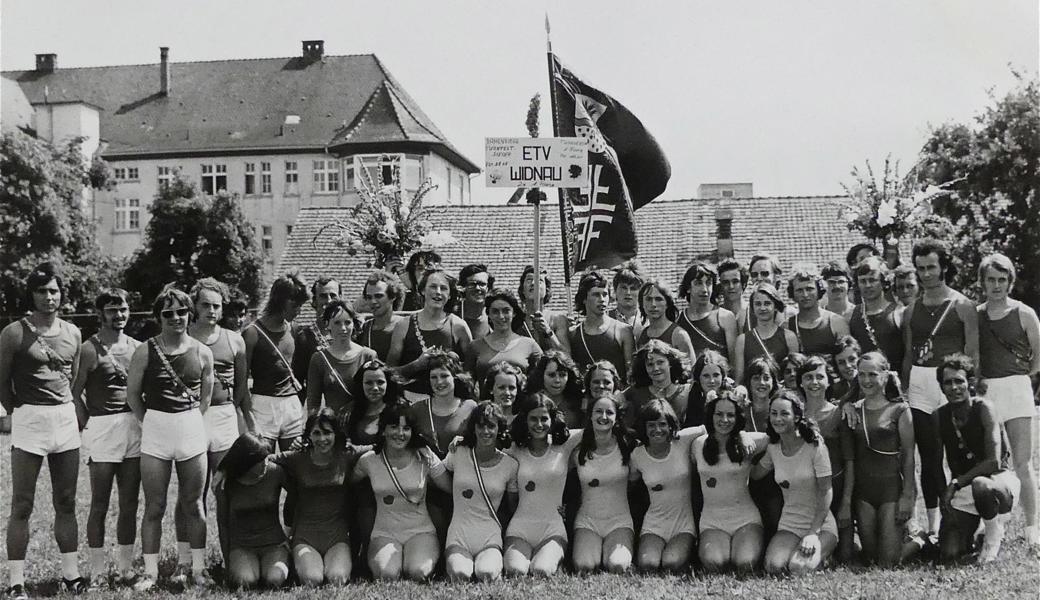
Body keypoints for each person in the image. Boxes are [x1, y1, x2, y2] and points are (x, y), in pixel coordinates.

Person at [1, 263, 87, 596]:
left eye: (53, 290)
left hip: (63, 419)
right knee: (22, 504)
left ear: (61, 295)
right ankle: (17, 582)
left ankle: (71, 575)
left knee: (66, 501)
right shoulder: (14, 333)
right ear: (32, 294)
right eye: (41, 291)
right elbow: (1, 381)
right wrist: (17, 411)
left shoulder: (73, 333)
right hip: (29, 418)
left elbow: (72, 377)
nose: (48, 297)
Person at [125, 286, 215, 590]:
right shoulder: (145, 350)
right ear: (158, 317)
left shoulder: (203, 351)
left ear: (190, 314)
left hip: (190, 428)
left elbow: (205, 397)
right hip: (156, 431)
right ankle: (150, 572)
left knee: (194, 504)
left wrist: (188, 420)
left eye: (181, 312)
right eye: (168, 313)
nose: (176, 318)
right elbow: (133, 395)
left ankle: (197, 568)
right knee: (155, 506)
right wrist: (149, 421)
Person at [901, 238, 979, 537]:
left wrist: (972, 390)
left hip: (952, 384)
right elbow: (908, 355)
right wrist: (906, 393)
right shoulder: (911, 310)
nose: (926, 274)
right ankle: (934, 525)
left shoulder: (962, 306)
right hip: (921, 384)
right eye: (920, 268)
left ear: (944, 266)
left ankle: (969, 518)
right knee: (929, 456)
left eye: (931, 267)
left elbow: (973, 354)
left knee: (960, 454)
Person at [71, 288, 141, 588]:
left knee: (129, 503)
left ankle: (126, 568)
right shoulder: (89, 349)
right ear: (100, 314)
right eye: (112, 310)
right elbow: (74, 393)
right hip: (101, 428)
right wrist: (89, 423)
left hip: (132, 426)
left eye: (123, 309)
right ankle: (98, 570)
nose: (119, 315)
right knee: (99, 503)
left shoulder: (138, 347)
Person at [185, 278, 251, 570]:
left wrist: (234, 414)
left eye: (216, 306)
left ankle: (230, 558)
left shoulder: (234, 339)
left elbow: (240, 387)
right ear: (194, 307)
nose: (211, 311)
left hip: (224, 416)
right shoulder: (185, 336)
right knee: (191, 492)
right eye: (205, 305)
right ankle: (187, 561)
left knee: (225, 489)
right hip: (191, 417)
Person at [975, 253, 1039, 546]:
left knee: (1023, 463)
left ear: (1010, 282)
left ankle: (1032, 528)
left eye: (1002, 280)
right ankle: (987, 523)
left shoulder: (1024, 313)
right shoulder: (975, 314)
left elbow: (1038, 354)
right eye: (991, 279)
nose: (997, 285)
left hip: (1016, 388)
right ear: (983, 282)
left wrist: (1023, 373)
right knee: (988, 460)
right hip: (987, 391)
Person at [935, 354, 1020, 563]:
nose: (954, 387)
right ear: (941, 387)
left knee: (981, 485)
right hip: (964, 490)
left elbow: (993, 462)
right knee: (950, 553)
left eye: (959, 381)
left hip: (997, 483)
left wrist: (955, 483)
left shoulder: (984, 408)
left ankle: (992, 533)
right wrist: (943, 500)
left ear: (970, 383)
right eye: (948, 382)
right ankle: (979, 526)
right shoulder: (939, 416)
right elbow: (933, 463)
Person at [351, 402, 450, 581]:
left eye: (406, 428)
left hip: (421, 530)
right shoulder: (369, 461)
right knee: (387, 574)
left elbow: (449, 487)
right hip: (384, 533)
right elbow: (348, 485)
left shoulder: (424, 456)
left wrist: (434, 458)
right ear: (383, 430)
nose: (400, 434)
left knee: (418, 572)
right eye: (394, 427)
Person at [752, 390, 838, 575]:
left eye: (784, 413)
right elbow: (754, 474)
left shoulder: (815, 445)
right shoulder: (773, 449)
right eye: (774, 414)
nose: (778, 419)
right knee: (774, 566)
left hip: (819, 523)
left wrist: (812, 533)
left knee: (798, 569)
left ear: (797, 416)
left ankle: (825, 554)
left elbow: (826, 490)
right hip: (790, 522)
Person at [270, 409, 357, 586]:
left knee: (337, 578)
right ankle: (298, 561)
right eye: (316, 433)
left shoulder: (346, 455)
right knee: (312, 579)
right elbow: (260, 459)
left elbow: (379, 449)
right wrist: (225, 468)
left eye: (327, 433)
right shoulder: (297, 457)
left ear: (336, 433)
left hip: (337, 535)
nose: (322, 439)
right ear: (308, 435)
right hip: (305, 535)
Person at [503, 393, 583, 577]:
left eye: (544, 418)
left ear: (553, 419)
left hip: (552, 528)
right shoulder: (514, 448)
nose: (539, 424)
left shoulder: (564, 444)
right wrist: (460, 441)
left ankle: (555, 559)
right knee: (516, 571)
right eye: (533, 419)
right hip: (520, 527)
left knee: (542, 570)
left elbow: (598, 426)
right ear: (525, 420)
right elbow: (485, 444)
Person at [847, 352, 915, 566]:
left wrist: (907, 496)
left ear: (885, 376)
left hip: (891, 491)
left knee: (888, 562)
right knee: (870, 558)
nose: (866, 380)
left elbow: (910, 456)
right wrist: (845, 405)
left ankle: (920, 540)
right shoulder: (853, 409)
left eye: (873, 374)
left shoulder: (900, 410)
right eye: (862, 374)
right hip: (864, 491)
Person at [443, 402, 520, 581]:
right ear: (473, 428)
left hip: (489, 535)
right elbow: (439, 475)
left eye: (491, 426)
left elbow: (513, 506)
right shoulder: (458, 452)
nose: (486, 431)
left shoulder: (510, 465)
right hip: (459, 533)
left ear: (499, 428)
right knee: (460, 574)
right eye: (481, 425)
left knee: (487, 573)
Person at [693, 391, 767, 572]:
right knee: (714, 563)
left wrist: (742, 434)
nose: (724, 420)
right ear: (711, 416)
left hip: (746, 518)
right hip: (712, 521)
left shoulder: (750, 442)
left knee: (745, 562)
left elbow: (775, 438)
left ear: (737, 417)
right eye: (719, 414)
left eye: (730, 415)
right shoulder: (698, 444)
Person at [628, 399, 699, 572]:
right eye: (651, 425)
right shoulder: (637, 455)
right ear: (644, 427)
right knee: (648, 564)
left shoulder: (682, 441)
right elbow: (630, 485)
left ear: (670, 426)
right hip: (655, 522)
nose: (657, 430)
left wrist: (742, 435)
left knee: (671, 563)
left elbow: (710, 428)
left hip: (683, 523)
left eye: (662, 424)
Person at [797, 356, 855, 562]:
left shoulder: (839, 413)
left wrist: (846, 502)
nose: (814, 382)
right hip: (803, 492)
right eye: (808, 377)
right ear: (801, 382)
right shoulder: (795, 415)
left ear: (829, 381)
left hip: (836, 489)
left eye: (820, 377)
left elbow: (849, 460)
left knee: (846, 555)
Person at [571, 394, 636, 573]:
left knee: (617, 565)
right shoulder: (576, 446)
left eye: (609, 412)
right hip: (587, 521)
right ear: (590, 415)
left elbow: (635, 483)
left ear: (616, 418)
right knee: (584, 566)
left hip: (619, 521)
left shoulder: (628, 445)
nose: (604, 417)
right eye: (598, 411)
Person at [215, 433, 290, 589]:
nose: (266, 463)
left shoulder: (275, 472)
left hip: (274, 543)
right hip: (242, 546)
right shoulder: (226, 483)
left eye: (266, 457)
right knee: (246, 582)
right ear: (246, 463)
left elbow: (299, 498)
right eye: (260, 460)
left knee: (274, 580)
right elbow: (222, 524)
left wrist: (293, 535)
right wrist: (228, 561)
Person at [243, 274, 309, 451]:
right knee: (263, 463)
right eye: (295, 306)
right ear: (280, 302)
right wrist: (249, 419)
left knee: (294, 464)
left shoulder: (294, 329)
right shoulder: (252, 333)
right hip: (263, 405)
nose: (298, 311)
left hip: (291, 405)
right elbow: (241, 382)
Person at [388, 267, 473, 396]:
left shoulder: (458, 326)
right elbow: (389, 372)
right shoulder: (404, 325)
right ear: (422, 290)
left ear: (450, 295)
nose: (438, 292)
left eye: (443, 288)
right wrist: (417, 365)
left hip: (447, 401)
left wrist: (453, 364)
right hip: (412, 400)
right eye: (433, 287)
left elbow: (470, 372)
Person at [305, 300, 377, 424]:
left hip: (363, 424)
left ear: (353, 324)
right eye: (337, 323)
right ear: (328, 325)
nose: (343, 328)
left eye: (347, 322)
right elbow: (313, 402)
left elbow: (376, 395)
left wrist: (355, 404)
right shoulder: (319, 359)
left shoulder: (368, 355)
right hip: (333, 427)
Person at [567, 270, 635, 383]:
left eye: (605, 294)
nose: (602, 300)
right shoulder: (574, 333)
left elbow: (631, 374)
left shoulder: (623, 330)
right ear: (584, 298)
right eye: (596, 295)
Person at [742, 357, 784, 538]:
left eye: (766, 378)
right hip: (746, 476)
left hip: (775, 475)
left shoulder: (779, 407)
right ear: (748, 381)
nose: (762, 383)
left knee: (775, 521)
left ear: (774, 381)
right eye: (756, 378)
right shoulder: (742, 408)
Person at [464, 287, 541, 383]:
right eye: (495, 311)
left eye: (506, 311)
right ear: (489, 314)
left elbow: (541, 382)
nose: (501, 316)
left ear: (514, 313)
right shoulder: (475, 347)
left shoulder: (529, 345)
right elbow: (467, 385)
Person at [734, 283, 799, 383]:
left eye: (767, 303)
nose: (762, 308)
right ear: (752, 307)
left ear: (776, 306)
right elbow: (739, 380)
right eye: (758, 304)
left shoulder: (789, 337)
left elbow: (793, 376)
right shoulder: (742, 340)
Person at [849, 256, 905, 368]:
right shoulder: (851, 315)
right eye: (863, 281)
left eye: (872, 280)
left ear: (884, 282)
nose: (868, 285)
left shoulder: (899, 313)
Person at [292, 276, 342, 401]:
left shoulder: (351, 334)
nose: (329, 301)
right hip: (319, 407)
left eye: (333, 295)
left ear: (340, 298)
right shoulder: (304, 337)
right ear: (314, 301)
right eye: (323, 296)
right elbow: (298, 381)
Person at [677, 261, 737, 362]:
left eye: (708, 283)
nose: (704, 289)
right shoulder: (678, 320)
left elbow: (734, 362)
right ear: (688, 288)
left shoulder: (725, 317)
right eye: (698, 283)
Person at [623, 339, 691, 429]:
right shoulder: (636, 393)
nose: (655, 368)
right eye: (650, 364)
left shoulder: (688, 391)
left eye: (660, 362)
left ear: (670, 362)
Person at [787, 268, 850, 361]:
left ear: (819, 290)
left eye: (809, 289)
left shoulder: (837, 323)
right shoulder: (787, 326)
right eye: (799, 290)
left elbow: (848, 359)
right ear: (792, 293)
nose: (805, 295)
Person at [635, 278, 696, 360]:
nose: (653, 304)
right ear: (642, 303)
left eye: (658, 299)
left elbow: (692, 369)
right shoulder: (641, 335)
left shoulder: (679, 335)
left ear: (667, 303)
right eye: (648, 299)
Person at [516, 266, 571, 354]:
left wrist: (548, 331)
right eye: (529, 279)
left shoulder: (557, 319)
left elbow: (566, 355)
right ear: (522, 289)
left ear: (546, 289)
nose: (533, 283)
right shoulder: (515, 320)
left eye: (539, 280)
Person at [525, 351, 585, 428]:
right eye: (551, 375)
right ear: (541, 376)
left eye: (562, 375)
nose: (557, 380)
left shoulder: (578, 401)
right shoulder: (531, 401)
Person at [358, 270, 406, 362]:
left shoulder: (406, 325)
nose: (373, 301)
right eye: (369, 297)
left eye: (378, 296)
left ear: (392, 297)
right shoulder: (364, 329)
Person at [458, 264, 494, 339]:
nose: (477, 288)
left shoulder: (493, 315)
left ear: (488, 288)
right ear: (464, 287)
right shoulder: (454, 315)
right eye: (472, 284)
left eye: (482, 284)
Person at [715, 258, 750, 333]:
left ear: (743, 284)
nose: (731, 286)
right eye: (726, 282)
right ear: (720, 286)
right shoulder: (715, 314)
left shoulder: (752, 311)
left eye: (735, 282)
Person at [608, 260, 644, 328]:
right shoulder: (605, 319)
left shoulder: (648, 320)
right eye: (624, 288)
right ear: (615, 290)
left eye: (633, 288)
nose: (628, 292)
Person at [831, 336, 861, 402]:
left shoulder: (872, 383)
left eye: (852, 359)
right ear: (837, 366)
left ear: (860, 358)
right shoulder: (835, 391)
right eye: (841, 363)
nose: (847, 365)